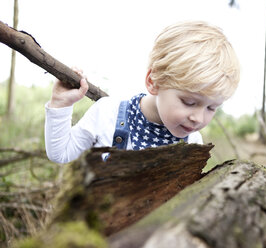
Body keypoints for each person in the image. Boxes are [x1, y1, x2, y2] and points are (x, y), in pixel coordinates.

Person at [44, 21, 240, 164]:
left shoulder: (193, 143)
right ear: (153, 81)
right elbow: (61, 154)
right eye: (189, 102)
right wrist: (61, 105)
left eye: (212, 108)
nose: (198, 118)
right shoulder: (108, 113)